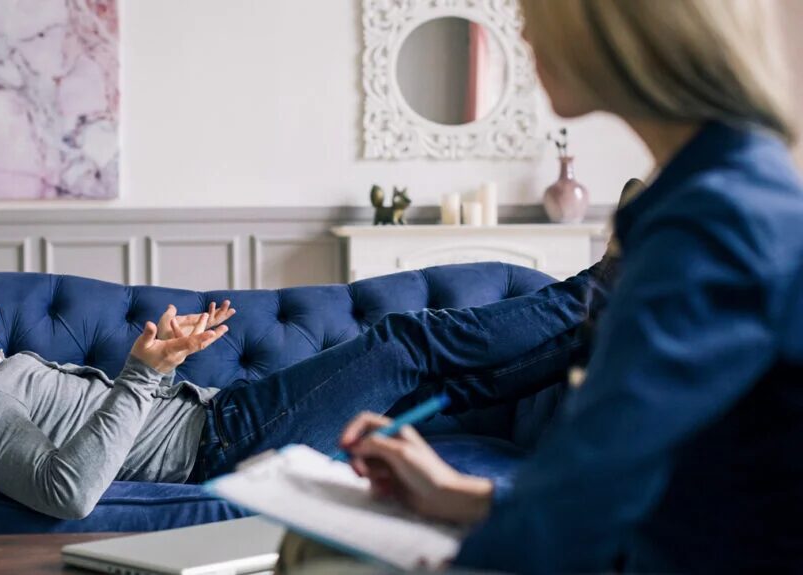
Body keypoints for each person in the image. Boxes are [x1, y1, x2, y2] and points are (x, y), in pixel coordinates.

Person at [334, 1, 803, 573]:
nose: (524, 30)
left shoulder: (713, 222)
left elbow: (580, 516)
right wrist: (457, 496)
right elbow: (632, 491)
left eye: (534, 9)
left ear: (612, 22)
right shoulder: (736, 190)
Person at [0, 241, 617, 521]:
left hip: (224, 415)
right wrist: (144, 376)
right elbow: (66, 493)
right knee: (404, 341)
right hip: (226, 443)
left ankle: (592, 327)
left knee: (436, 376)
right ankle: (595, 290)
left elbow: (103, 423)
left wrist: (158, 366)